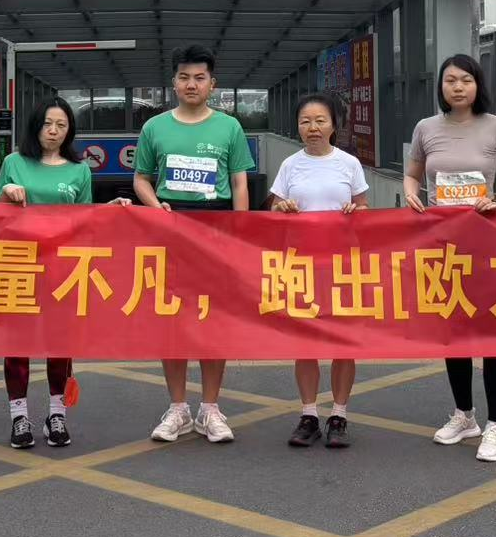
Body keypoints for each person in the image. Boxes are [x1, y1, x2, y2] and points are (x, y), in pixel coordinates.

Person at [405, 54, 496, 464]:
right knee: (454, 330)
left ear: (478, 85)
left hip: (488, 245)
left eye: (465, 80)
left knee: (494, 334)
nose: (457, 87)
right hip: (442, 245)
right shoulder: (426, 128)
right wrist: (411, 194)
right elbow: (412, 174)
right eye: (450, 81)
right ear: (440, 86)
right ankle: (465, 415)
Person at [135, 45, 255, 445]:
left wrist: (238, 233)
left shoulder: (230, 127)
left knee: (213, 319)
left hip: (216, 226)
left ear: (212, 84)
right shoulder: (154, 128)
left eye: (199, 78)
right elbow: (141, 179)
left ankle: (210, 409)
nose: (192, 84)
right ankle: (177, 408)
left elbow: (239, 181)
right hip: (171, 227)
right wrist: (157, 208)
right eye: (184, 77)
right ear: (174, 83)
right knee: (172, 318)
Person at [269, 93, 369, 450]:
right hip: (301, 264)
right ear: (298, 127)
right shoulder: (290, 165)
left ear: (334, 125)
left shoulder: (349, 164)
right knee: (305, 342)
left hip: (342, 266)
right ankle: (309, 414)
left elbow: (364, 209)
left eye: (320, 120)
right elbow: (273, 209)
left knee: (343, 342)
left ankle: (339, 415)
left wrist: (355, 212)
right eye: (305, 121)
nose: (312, 127)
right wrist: (282, 207)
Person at [0, 96, 95, 450]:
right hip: (18, 263)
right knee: (17, 344)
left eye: (61, 125)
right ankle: (19, 417)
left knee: (59, 344)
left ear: (70, 131)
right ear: (35, 126)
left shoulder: (79, 170)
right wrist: (5, 193)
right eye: (47, 124)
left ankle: (57, 415)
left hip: (61, 268)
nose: (53, 131)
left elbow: (86, 221)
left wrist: (114, 211)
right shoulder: (13, 162)